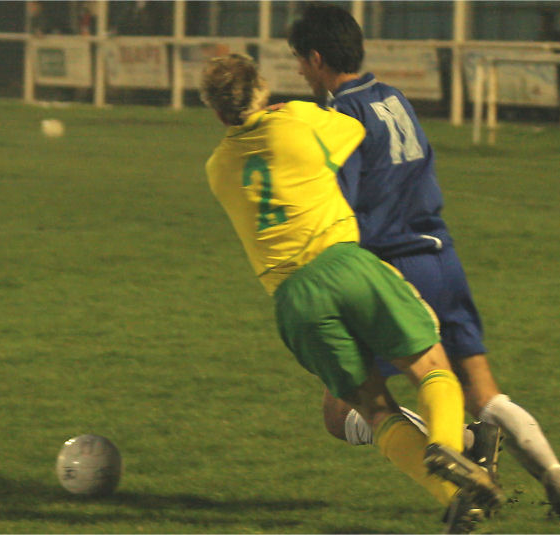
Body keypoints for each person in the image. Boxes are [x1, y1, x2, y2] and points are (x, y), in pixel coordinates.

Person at [287, 3, 560, 522]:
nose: (298, 71)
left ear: (316, 59)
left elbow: (346, 203)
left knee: (343, 410)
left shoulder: (343, 117)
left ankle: (464, 444)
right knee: (482, 388)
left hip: (393, 270)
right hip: (441, 257)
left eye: (298, 61)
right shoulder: (394, 98)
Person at [200, 54, 504, 533]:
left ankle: (453, 498)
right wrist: (288, 111)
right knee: (430, 366)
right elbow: (354, 134)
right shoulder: (298, 119)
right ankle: (446, 444)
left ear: (217, 113)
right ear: (264, 90)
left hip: (293, 303)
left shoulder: (217, 167)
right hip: (344, 265)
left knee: (374, 408)